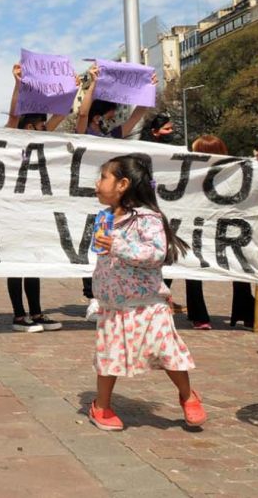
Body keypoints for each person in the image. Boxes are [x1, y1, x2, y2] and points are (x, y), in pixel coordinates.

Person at [88, 154, 206, 431]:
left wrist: (117, 246)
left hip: (148, 303)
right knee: (109, 357)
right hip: (114, 305)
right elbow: (102, 255)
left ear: (123, 184)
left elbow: (155, 254)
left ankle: (188, 396)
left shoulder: (147, 218)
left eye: (103, 177)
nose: (97, 183)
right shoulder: (104, 217)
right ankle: (101, 406)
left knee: (167, 351)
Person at [76, 65, 157, 319]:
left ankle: (108, 293)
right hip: (85, 198)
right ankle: (92, 295)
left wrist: (148, 89)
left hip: (111, 202)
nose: (114, 118)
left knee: (108, 244)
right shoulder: (84, 131)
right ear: (100, 114)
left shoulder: (112, 134)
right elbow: (82, 114)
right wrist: (90, 88)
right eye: (110, 113)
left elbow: (138, 114)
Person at [174, 135, 258, 333]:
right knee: (194, 266)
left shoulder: (235, 173)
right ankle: (199, 314)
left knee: (240, 264)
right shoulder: (190, 174)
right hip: (198, 228)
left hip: (225, 228)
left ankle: (245, 312)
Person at [3, 64, 70, 332]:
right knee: (13, 263)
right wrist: (18, 85)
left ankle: (37, 313)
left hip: (33, 210)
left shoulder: (42, 142)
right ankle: (19, 315)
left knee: (33, 261)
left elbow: (61, 114)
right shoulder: (10, 137)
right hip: (10, 209)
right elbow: (12, 114)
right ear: (31, 124)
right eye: (43, 124)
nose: (47, 127)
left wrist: (71, 88)